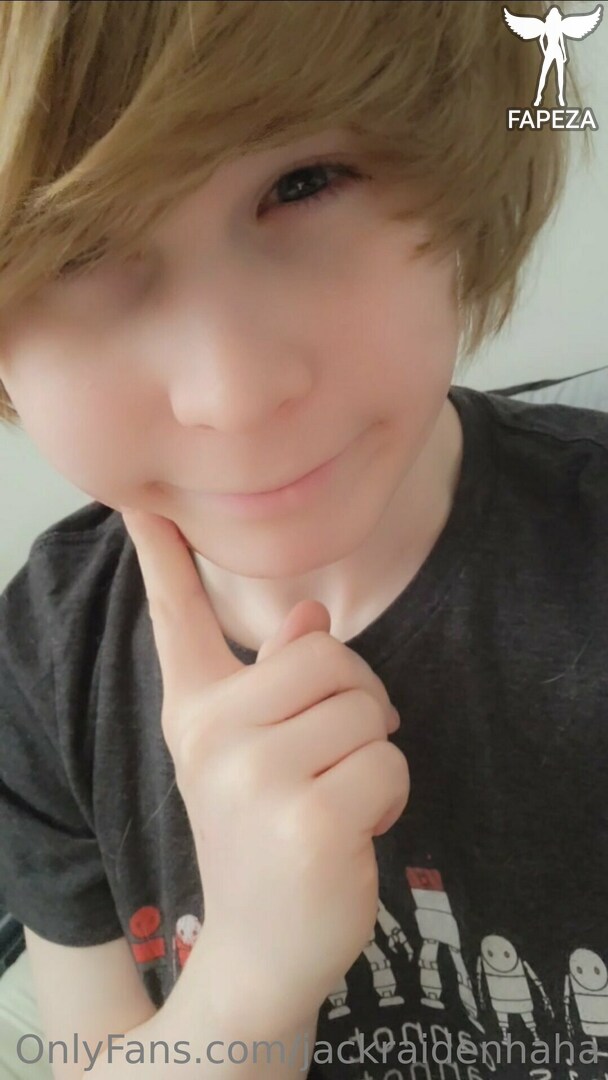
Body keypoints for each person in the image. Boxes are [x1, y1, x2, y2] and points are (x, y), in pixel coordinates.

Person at [0, 1, 605, 1078]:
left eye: (305, 181)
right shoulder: (42, 667)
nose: (234, 393)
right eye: (79, 248)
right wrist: (245, 980)